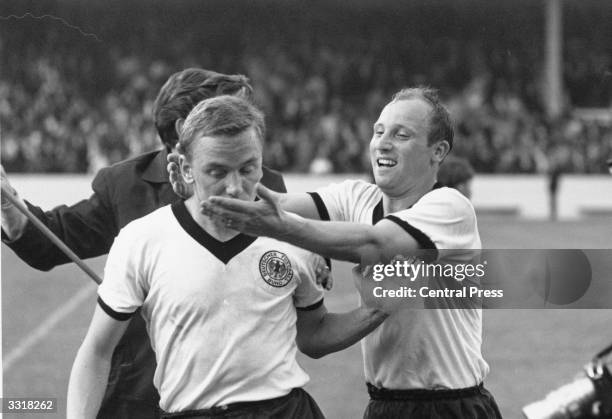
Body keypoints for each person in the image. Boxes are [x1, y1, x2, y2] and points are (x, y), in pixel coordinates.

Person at [67, 95, 389, 418]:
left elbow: (314, 334)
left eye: (248, 168)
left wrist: (380, 307)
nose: (235, 187)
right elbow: (97, 352)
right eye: (217, 172)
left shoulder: (295, 235)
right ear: (185, 168)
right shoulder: (142, 240)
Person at [198, 87, 502, 418]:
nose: (383, 142)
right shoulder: (356, 197)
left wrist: (282, 227)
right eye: (379, 131)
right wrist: (197, 184)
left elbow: (375, 244)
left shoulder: (450, 207)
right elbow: (273, 206)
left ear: (438, 151)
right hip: (384, 406)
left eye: (402, 135)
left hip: (451, 407)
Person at [1, 68, 287, 419]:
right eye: (224, 109)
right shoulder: (125, 184)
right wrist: (8, 205)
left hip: (239, 398)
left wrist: (351, 278)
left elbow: (298, 268)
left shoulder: (264, 183)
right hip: (136, 394)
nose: (240, 121)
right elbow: (51, 242)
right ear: (184, 127)